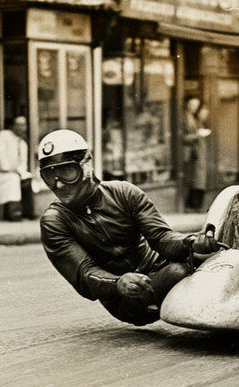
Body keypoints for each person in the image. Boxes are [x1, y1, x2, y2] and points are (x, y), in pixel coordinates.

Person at [37, 129, 221, 326]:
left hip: (160, 265)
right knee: (179, 272)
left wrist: (191, 242)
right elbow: (84, 274)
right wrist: (118, 283)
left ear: (86, 165)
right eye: (49, 176)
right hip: (127, 297)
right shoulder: (54, 221)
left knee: (219, 255)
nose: (58, 185)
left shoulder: (124, 192)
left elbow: (161, 238)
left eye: (67, 172)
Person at [0, 115, 35, 221]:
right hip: (0, 173)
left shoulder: (23, 143)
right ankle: (13, 213)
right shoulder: (3, 136)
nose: (21, 128)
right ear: (13, 126)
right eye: (18, 125)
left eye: (23, 125)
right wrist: (8, 168)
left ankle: (28, 212)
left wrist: (20, 171)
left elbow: (23, 163)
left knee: (28, 179)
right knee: (13, 180)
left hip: (15, 172)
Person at [182, 96, 209, 211]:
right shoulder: (184, 117)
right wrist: (198, 135)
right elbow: (182, 137)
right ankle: (191, 205)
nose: (194, 108)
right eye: (192, 105)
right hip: (190, 154)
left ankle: (195, 205)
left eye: (196, 106)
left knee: (196, 179)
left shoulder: (193, 118)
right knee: (192, 179)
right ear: (187, 104)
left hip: (195, 153)